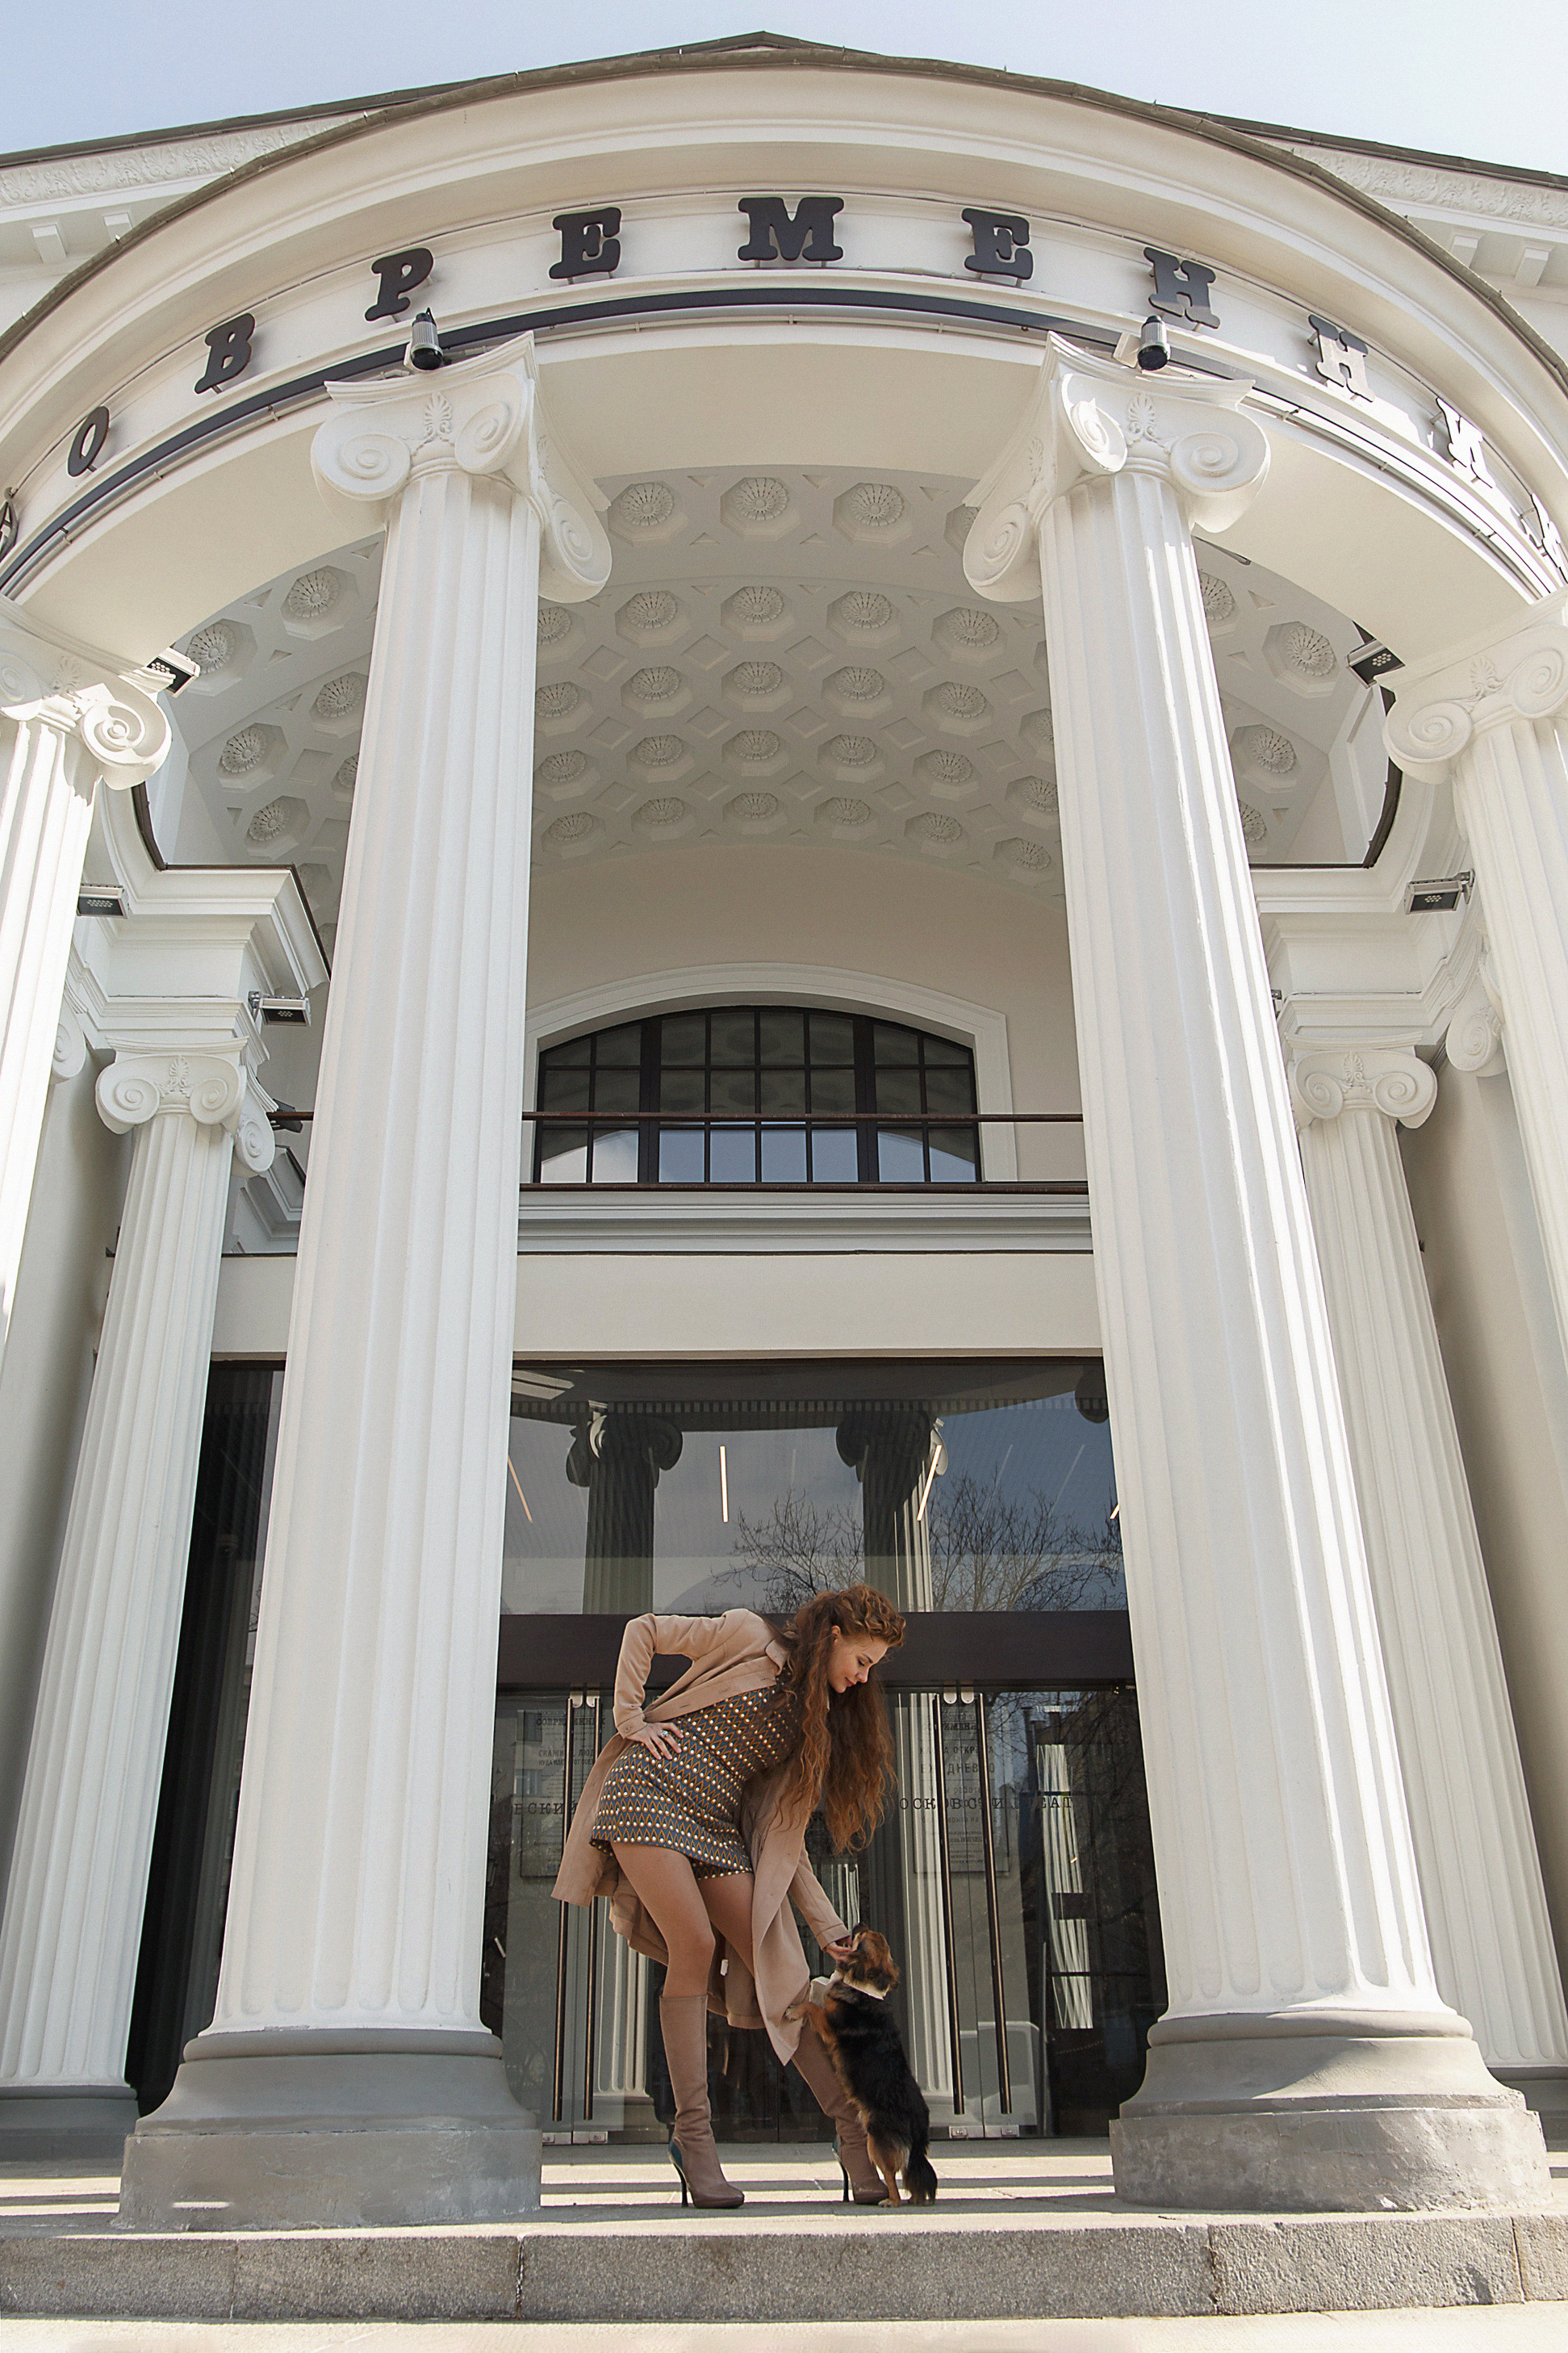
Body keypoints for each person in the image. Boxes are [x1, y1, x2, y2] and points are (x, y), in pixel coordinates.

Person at [552, 1583, 905, 2208]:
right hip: (650, 1790)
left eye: (871, 1668)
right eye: (862, 1660)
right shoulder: (745, 1634)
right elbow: (644, 1628)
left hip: (715, 1828)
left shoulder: (812, 1727)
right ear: (831, 1636)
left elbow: (783, 1842)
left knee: (784, 1976)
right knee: (693, 1942)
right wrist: (630, 1717)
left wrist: (824, 1928)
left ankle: (853, 2136)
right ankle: (694, 2140)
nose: (862, 1676)